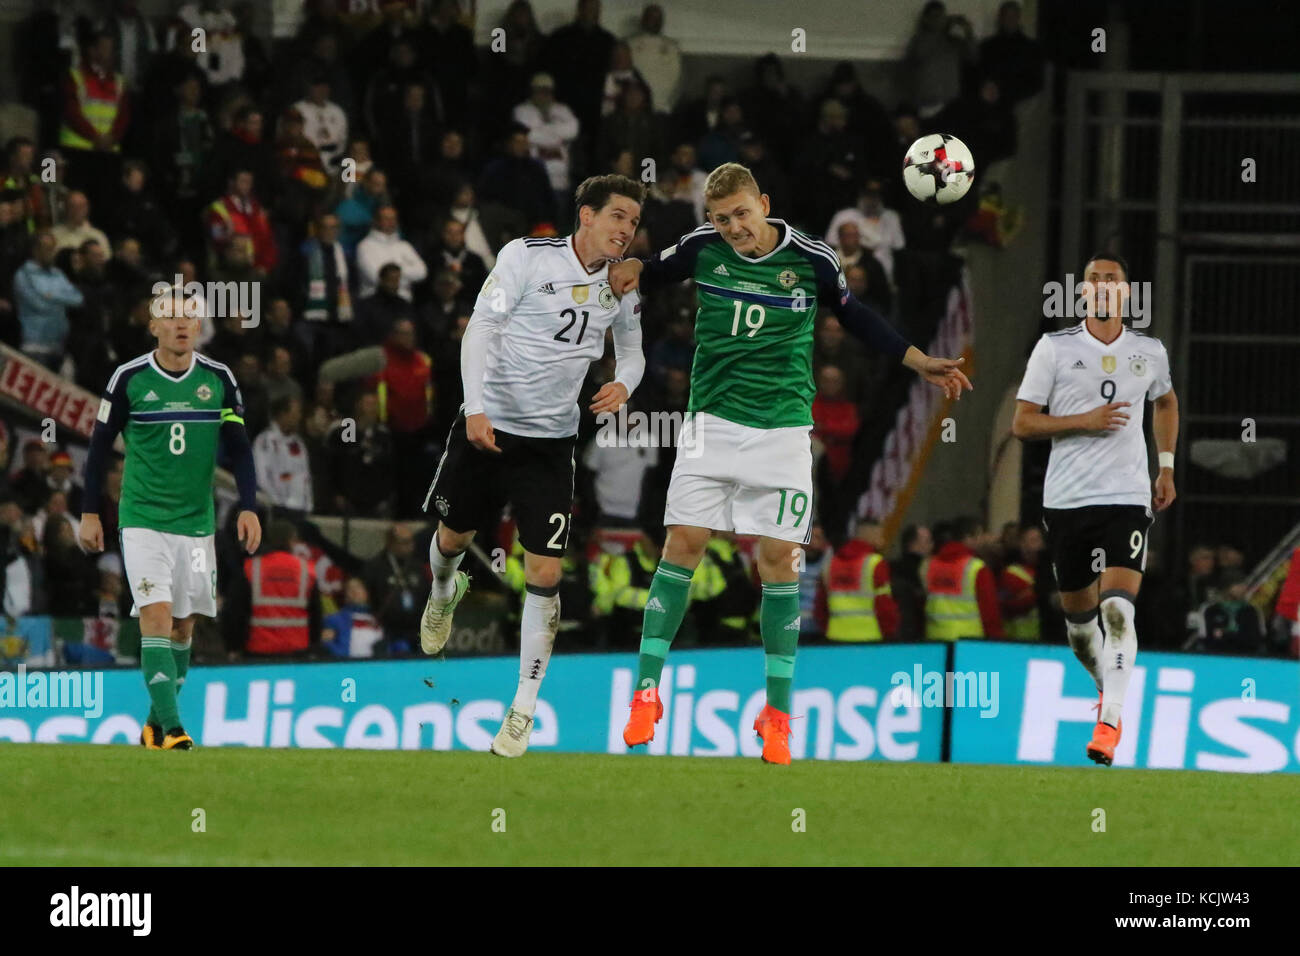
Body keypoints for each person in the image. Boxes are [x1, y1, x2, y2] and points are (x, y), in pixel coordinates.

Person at [608, 162, 971, 764]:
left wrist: (918, 361)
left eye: (741, 215)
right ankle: (646, 692)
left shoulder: (813, 259)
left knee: (778, 559)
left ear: (765, 204)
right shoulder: (702, 249)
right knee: (685, 543)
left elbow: (854, 315)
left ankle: (777, 714)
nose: (733, 229)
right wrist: (629, 267)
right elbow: (654, 270)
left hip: (781, 432)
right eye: (721, 220)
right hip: (710, 424)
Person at [421, 174, 647, 758]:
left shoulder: (622, 286)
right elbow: (482, 328)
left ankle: (522, 709)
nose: (627, 230)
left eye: (634, 222)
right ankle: (443, 590)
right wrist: (474, 407)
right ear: (587, 216)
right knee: (452, 538)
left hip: (550, 445)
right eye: (618, 216)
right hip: (489, 426)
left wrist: (624, 381)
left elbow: (635, 350)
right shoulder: (525, 256)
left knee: (545, 573)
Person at [1011, 252, 1179, 766]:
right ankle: (1112, 691)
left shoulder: (1148, 351)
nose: (1104, 286)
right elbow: (1022, 424)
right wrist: (1083, 420)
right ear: (1082, 293)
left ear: (1127, 294)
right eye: (1094, 280)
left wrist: (1166, 466)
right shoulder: (1054, 349)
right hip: (1067, 501)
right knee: (1083, 630)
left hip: (1126, 498)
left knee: (1117, 610)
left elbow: (1165, 402)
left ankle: (1109, 723)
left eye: (1114, 279)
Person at [78, 285, 262, 751]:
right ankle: (175, 729)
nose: (181, 325)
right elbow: (98, 449)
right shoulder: (129, 378)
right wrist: (89, 512)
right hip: (141, 520)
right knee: (155, 618)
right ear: (153, 326)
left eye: (189, 318)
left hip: (196, 526)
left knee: (183, 626)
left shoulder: (219, 379)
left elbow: (240, 449)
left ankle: (152, 725)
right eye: (171, 317)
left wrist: (249, 505)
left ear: (198, 327)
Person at [824, 517, 898, 641]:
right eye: (880, 533)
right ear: (871, 535)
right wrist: (890, 633)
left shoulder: (831, 563)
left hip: (835, 637)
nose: (883, 538)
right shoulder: (875, 564)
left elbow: (821, 604)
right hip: (869, 638)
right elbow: (884, 605)